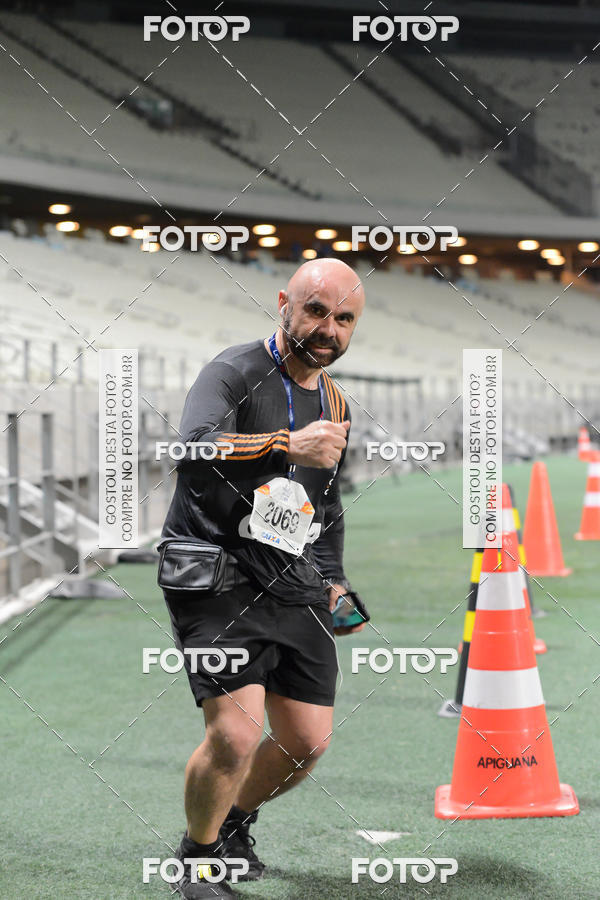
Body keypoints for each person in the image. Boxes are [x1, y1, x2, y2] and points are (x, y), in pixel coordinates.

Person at [159, 258, 366, 898]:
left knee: (306, 742)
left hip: (291, 576)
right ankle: (197, 861)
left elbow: (324, 502)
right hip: (214, 571)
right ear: (284, 303)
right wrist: (284, 443)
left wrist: (333, 580)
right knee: (236, 733)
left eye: (344, 319)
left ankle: (231, 824)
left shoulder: (334, 401)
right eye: (316, 311)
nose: (328, 329)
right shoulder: (233, 371)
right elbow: (190, 448)